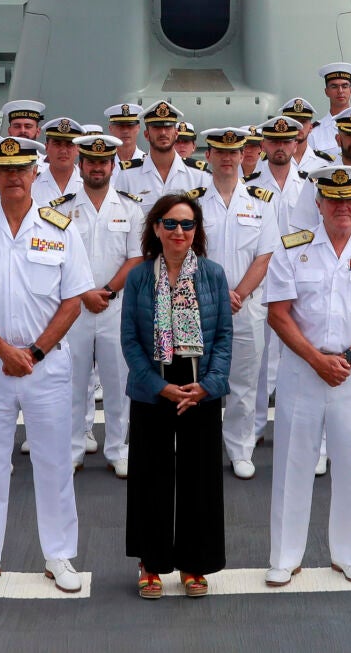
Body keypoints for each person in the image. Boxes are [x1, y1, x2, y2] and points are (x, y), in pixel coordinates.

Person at [0, 135, 92, 596]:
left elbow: (73, 301)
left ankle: (59, 555)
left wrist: (35, 352)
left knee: (53, 462)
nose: (12, 177)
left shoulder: (61, 228)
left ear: (35, 173)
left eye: (21, 169)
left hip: (45, 365)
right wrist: (4, 351)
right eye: (4, 169)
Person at [263, 166, 351, 587]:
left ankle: (349, 555)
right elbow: (278, 314)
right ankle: (286, 557)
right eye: (333, 199)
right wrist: (316, 359)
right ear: (319, 204)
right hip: (303, 372)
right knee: (292, 465)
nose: (343, 207)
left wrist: (348, 358)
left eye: (350, 200)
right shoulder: (292, 250)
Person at [121, 192, 232, 598]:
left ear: (197, 231)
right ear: (156, 229)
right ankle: (150, 563)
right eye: (170, 223)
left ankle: (193, 563)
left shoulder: (214, 275)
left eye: (187, 224)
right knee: (150, 477)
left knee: (199, 479)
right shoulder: (138, 277)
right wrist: (159, 386)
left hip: (199, 389)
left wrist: (208, 385)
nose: (179, 231)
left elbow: (223, 338)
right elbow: (130, 342)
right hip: (154, 389)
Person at [49, 131, 144, 477]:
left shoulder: (130, 208)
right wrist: (85, 293)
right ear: (81, 163)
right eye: (92, 161)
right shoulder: (60, 211)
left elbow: (136, 258)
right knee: (72, 381)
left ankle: (118, 449)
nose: (98, 168)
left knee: (118, 382)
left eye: (104, 162)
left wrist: (104, 290)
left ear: (112, 165)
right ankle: (73, 448)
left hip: (114, 306)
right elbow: (57, 258)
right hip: (74, 308)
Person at [191, 129, 276, 480]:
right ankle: (200, 446)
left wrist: (236, 294)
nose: (227, 158)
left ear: (244, 156)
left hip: (246, 306)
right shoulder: (192, 201)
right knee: (199, 380)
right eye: (219, 152)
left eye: (234, 152)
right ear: (208, 156)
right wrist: (216, 295)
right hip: (199, 306)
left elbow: (265, 257)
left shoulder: (262, 202)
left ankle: (241, 449)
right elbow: (185, 252)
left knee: (243, 383)